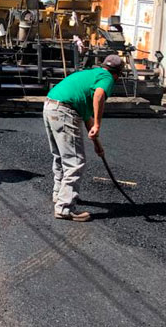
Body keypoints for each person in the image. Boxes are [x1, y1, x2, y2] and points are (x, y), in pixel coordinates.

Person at [44, 54, 125, 222]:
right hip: (65, 110)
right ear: (117, 73)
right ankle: (65, 208)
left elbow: (86, 117)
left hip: (50, 105)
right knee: (75, 161)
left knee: (61, 156)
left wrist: (97, 144)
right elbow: (99, 95)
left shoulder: (91, 74)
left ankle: (59, 195)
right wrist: (98, 124)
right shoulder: (107, 77)